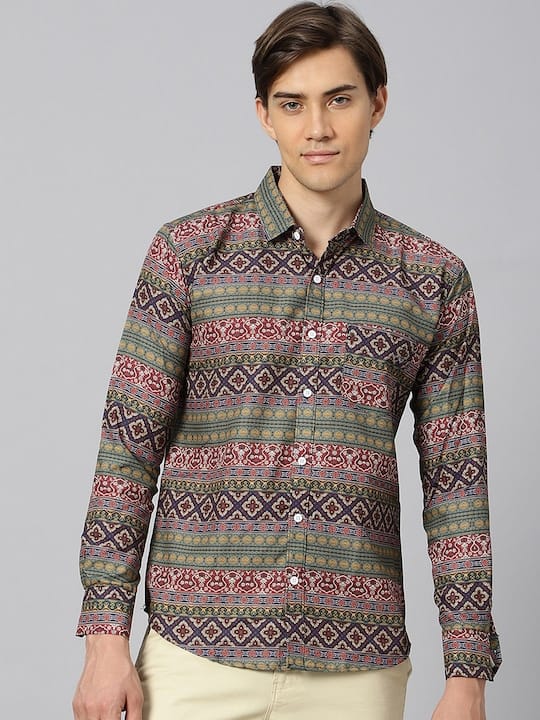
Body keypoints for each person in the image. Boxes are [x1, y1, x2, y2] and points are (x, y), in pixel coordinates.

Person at [72, 3, 501, 719]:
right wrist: (104, 640)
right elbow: (127, 451)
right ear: (264, 116)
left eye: (340, 99)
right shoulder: (188, 254)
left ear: (378, 104)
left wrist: (467, 676)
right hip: (194, 655)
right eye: (292, 104)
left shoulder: (433, 279)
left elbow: (458, 486)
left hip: (358, 670)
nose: (318, 128)